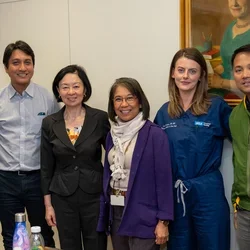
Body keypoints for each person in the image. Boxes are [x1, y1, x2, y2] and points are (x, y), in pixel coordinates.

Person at [154, 48, 232, 250]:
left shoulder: (216, 106)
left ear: (202, 76)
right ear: (173, 73)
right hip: (177, 196)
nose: (185, 76)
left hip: (208, 194)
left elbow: (242, 138)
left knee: (213, 245)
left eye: (192, 71)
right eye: (181, 70)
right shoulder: (164, 113)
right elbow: (156, 161)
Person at [97, 77, 173, 250]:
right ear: (113, 105)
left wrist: (163, 222)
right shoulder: (112, 135)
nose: (124, 104)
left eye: (130, 98)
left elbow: (164, 181)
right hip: (116, 212)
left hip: (144, 214)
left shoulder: (154, 135)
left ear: (140, 102)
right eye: (118, 99)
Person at [40, 64, 110, 250]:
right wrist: (48, 206)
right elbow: (46, 168)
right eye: (65, 87)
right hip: (62, 198)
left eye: (76, 86)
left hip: (94, 196)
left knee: (96, 244)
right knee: (69, 245)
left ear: (85, 89)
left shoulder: (100, 118)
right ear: (58, 90)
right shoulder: (49, 123)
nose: (71, 92)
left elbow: (113, 158)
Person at [0, 40, 56, 250]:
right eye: (16, 62)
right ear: (6, 68)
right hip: (6, 180)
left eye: (27, 62)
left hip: (38, 179)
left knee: (44, 232)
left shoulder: (47, 98)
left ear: (33, 65)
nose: (22, 68)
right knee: (11, 234)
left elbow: (54, 140)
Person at [230, 44, 250, 250]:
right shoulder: (235, 115)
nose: (245, 74)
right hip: (245, 211)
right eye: (239, 69)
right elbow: (238, 160)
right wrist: (235, 203)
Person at [212, 0, 250, 90]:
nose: (234, 3)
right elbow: (227, 61)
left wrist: (221, 83)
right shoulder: (231, 26)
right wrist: (216, 69)